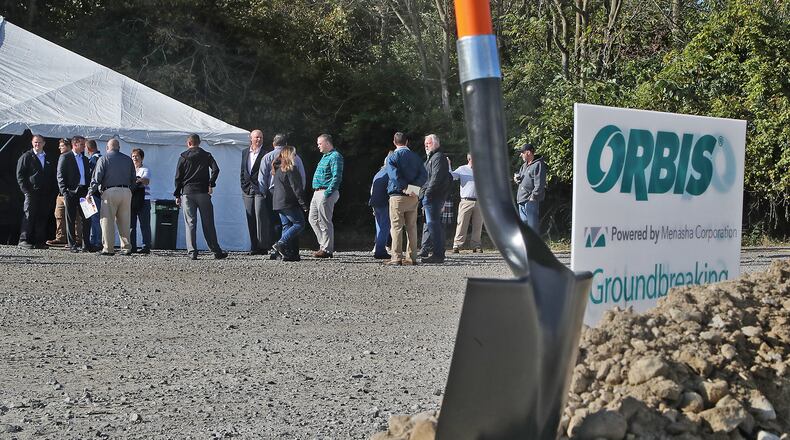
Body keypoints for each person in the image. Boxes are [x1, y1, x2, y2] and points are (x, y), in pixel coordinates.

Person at [173, 134, 228, 260]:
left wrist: (177, 194)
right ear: (199, 142)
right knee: (208, 222)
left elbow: (178, 177)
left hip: (187, 192)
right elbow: (216, 170)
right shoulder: (206, 155)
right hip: (203, 192)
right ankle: (215, 250)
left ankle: (192, 251)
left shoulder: (183, 157)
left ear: (188, 143)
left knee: (190, 223)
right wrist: (210, 183)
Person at [259, 133, 306, 259]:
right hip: (288, 198)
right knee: (298, 223)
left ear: (274, 143)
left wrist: (263, 194)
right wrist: (302, 201)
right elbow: (299, 183)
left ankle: (281, 252)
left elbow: (262, 179)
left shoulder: (272, 162)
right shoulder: (292, 164)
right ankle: (282, 245)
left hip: (274, 197)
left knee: (282, 225)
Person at [88, 139, 136, 256]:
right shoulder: (128, 159)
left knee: (107, 221)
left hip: (109, 191)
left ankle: (108, 248)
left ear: (107, 148)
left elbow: (97, 177)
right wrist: (129, 190)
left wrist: (90, 192)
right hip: (126, 191)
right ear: (119, 147)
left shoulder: (103, 159)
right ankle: (126, 248)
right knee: (125, 221)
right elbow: (133, 178)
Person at [385, 132, 427, 266]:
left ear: (394, 142)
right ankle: (411, 257)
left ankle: (396, 257)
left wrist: (404, 187)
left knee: (396, 227)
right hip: (413, 195)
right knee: (412, 227)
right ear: (407, 142)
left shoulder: (392, 157)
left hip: (397, 195)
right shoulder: (416, 157)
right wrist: (413, 188)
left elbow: (393, 175)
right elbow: (424, 174)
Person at [16, 135, 55, 249]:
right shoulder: (26, 156)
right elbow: (20, 175)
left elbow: (52, 175)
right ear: (32, 143)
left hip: (45, 193)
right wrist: (26, 190)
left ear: (44, 143)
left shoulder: (48, 157)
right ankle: (24, 240)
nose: (37, 144)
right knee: (29, 215)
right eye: (35, 142)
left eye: (39, 142)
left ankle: (39, 241)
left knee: (42, 216)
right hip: (31, 192)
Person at [271, 146, 309, 262]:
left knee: (286, 226)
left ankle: (286, 253)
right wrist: (303, 205)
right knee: (299, 224)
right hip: (288, 202)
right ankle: (281, 244)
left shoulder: (278, 170)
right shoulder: (291, 169)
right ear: (290, 155)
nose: (295, 156)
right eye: (294, 154)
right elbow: (296, 189)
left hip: (278, 202)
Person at [57, 135, 94, 253]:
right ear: (75, 144)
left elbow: (88, 176)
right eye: (82, 144)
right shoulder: (65, 157)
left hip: (84, 192)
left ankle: (86, 244)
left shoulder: (85, 159)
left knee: (88, 217)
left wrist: (90, 190)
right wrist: (64, 191)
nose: (84, 147)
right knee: (70, 218)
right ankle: (72, 244)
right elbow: (60, 175)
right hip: (71, 192)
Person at [308, 134, 343, 258]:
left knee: (324, 221)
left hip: (325, 192)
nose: (318, 146)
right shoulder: (324, 157)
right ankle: (323, 245)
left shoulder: (335, 156)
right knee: (312, 219)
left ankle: (327, 250)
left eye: (320, 143)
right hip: (317, 192)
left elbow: (337, 176)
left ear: (327, 143)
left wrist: (328, 193)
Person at [418, 134, 452, 264]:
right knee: (432, 226)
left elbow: (435, 178)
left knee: (434, 226)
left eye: (429, 143)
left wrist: (427, 194)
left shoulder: (438, 157)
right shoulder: (431, 158)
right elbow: (425, 179)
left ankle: (438, 254)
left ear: (436, 143)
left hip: (433, 197)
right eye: (425, 143)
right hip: (430, 196)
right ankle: (437, 253)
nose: (426, 145)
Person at [240, 129, 268, 255]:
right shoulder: (245, 152)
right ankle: (254, 246)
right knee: (250, 217)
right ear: (250, 138)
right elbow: (243, 170)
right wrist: (243, 185)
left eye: (261, 137)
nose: (259, 139)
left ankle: (263, 247)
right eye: (256, 137)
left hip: (259, 189)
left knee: (260, 217)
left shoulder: (266, 153)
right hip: (247, 189)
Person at [451, 153, 484, 253]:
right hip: (466, 201)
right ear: (470, 159)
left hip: (479, 201)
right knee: (461, 223)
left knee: (478, 225)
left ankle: (476, 245)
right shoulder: (462, 169)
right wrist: (448, 166)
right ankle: (457, 245)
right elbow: (452, 176)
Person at [47, 139, 73, 247]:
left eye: (62, 145)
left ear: (68, 146)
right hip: (61, 192)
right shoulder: (61, 157)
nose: (59, 147)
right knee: (59, 214)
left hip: (70, 191)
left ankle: (76, 238)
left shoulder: (74, 158)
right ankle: (61, 237)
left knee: (74, 216)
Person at [515, 143, 546, 232]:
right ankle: (526, 245)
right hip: (521, 199)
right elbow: (521, 179)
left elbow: (540, 183)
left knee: (532, 226)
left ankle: (535, 245)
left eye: (522, 152)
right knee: (524, 226)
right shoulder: (524, 165)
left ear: (528, 152)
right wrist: (517, 179)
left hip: (530, 200)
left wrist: (533, 197)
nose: (521, 155)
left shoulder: (538, 164)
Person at [369, 153, 391, 260]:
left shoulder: (379, 173)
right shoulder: (391, 173)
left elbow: (372, 189)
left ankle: (378, 248)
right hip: (384, 202)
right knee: (385, 227)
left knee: (379, 226)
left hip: (374, 201)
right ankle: (380, 250)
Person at [130, 148, 152, 254]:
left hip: (144, 199)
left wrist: (137, 180)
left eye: (137, 156)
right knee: (131, 224)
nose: (135, 158)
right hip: (132, 199)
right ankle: (132, 246)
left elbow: (146, 181)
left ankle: (146, 246)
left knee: (145, 224)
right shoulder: (129, 169)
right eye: (133, 156)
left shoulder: (145, 169)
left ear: (142, 158)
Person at [85, 139, 102, 249]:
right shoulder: (102, 158)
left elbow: (93, 177)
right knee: (97, 217)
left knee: (95, 217)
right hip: (100, 192)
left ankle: (96, 241)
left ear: (88, 148)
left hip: (95, 192)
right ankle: (96, 240)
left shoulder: (94, 160)